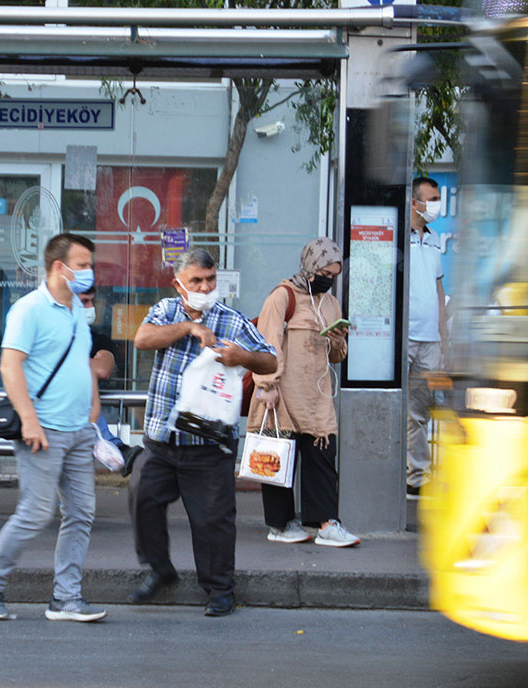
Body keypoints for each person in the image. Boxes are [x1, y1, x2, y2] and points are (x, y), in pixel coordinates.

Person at [129, 248, 276, 617]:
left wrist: (242, 358)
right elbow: (142, 339)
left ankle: (220, 590)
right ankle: (160, 569)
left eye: (210, 279)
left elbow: (271, 358)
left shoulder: (231, 319)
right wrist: (190, 327)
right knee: (142, 499)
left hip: (208, 445)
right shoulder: (166, 311)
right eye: (196, 280)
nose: (205, 286)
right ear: (179, 284)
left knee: (213, 521)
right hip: (161, 440)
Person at [0, 234, 106, 623]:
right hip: (42, 428)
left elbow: (82, 360)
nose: (88, 271)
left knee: (81, 513)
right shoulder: (28, 310)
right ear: (58, 267)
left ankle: (66, 598)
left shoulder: (77, 308)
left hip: (78, 429)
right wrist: (29, 419)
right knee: (36, 512)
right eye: (81, 264)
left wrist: (92, 405)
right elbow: (10, 366)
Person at [246, 238, 359, 547]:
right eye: (325, 272)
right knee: (278, 459)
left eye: (335, 275)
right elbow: (266, 344)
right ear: (310, 267)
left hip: (318, 394)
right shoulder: (283, 297)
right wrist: (266, 385)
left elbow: (337, 357)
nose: (329, 279)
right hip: (282, 390)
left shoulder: (331, 303)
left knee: (323, 454)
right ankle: (280, 525)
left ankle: (326, 523)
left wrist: (337, 340)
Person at [407, 176, 446, 497]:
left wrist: (443, 336)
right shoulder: (397, 238)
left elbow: (438, 288)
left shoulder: (434, 241)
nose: (436, 204)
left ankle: (415, 477)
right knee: (395, 406)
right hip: (404, 337)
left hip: (430, 339)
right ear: (415, 202)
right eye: (432, 199)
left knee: (420, 410)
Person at [78, 286, 143, 476]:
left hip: (80, 422)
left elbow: (102, 369)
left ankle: (111, 443)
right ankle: (113, 444)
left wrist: (65, 360)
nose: (90, 308)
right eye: (83, 302)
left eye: (92, 302)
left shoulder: (99, 341)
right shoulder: (50, 336)